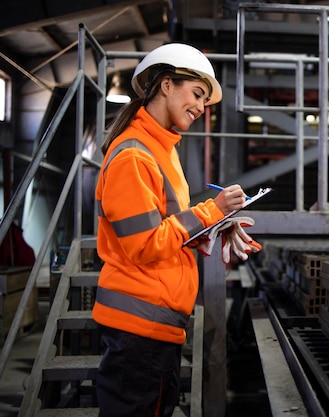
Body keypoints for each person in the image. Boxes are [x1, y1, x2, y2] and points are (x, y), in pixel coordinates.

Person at [93, 43, 257, 416]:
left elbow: (166, 228)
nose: (201, 107)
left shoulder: (162, 149)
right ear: (166, 84)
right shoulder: (135, 155)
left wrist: (210, 228)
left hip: (155, 323)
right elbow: (144, 244)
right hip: (140, 327)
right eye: (197, 94)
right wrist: (209, 210)